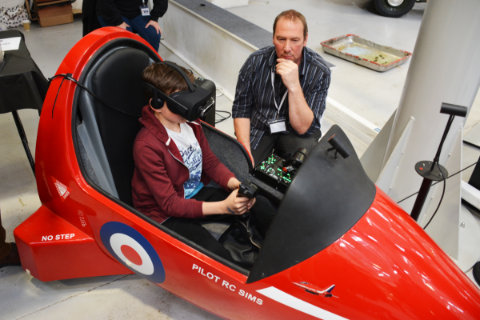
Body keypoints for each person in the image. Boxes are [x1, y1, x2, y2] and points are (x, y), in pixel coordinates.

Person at [131, 62, 258, 261]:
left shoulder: (190, 123)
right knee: (217, 258)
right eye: (181, 100)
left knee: (261, 206)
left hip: (195, 193)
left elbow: (210, 162)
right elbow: (170, 204)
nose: (189, 106)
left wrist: (235, 185)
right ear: (156, 104)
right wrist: (225, 206)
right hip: (165, 214)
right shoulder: (146, 146)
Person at [232, 9, 331, 165]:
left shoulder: (319, 71)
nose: (286, 47)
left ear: (305, 40)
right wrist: (245, 151)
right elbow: (241, 109)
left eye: (295, 40)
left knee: (304, 169)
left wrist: (294, 86)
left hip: (295, 132)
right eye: (281, 39)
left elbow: (303, 128)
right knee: (241, 169)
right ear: (273, 38)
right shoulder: (255, 62)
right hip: (260, 127)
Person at [96, 0, 168, 51]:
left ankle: (152, 68)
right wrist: (118, 22)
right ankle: (126, 68)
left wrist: (154, 18)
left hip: (138, 11)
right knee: (125, 39)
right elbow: (104, 3)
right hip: (112, 12)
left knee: (153, 34)